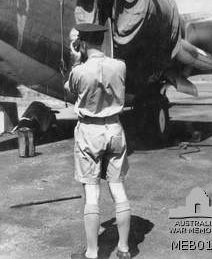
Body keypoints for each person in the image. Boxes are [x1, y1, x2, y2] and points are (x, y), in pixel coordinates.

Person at [65, 23, 131, 259]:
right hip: (115, 129)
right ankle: (124, 249)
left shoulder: (79, 71)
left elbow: (70, 88)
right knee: (118, 188)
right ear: (101, 41)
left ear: (82, 43)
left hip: (89, 132)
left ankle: (92, 252)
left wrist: (76, 59)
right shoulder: (120, 66)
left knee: (92, 192)